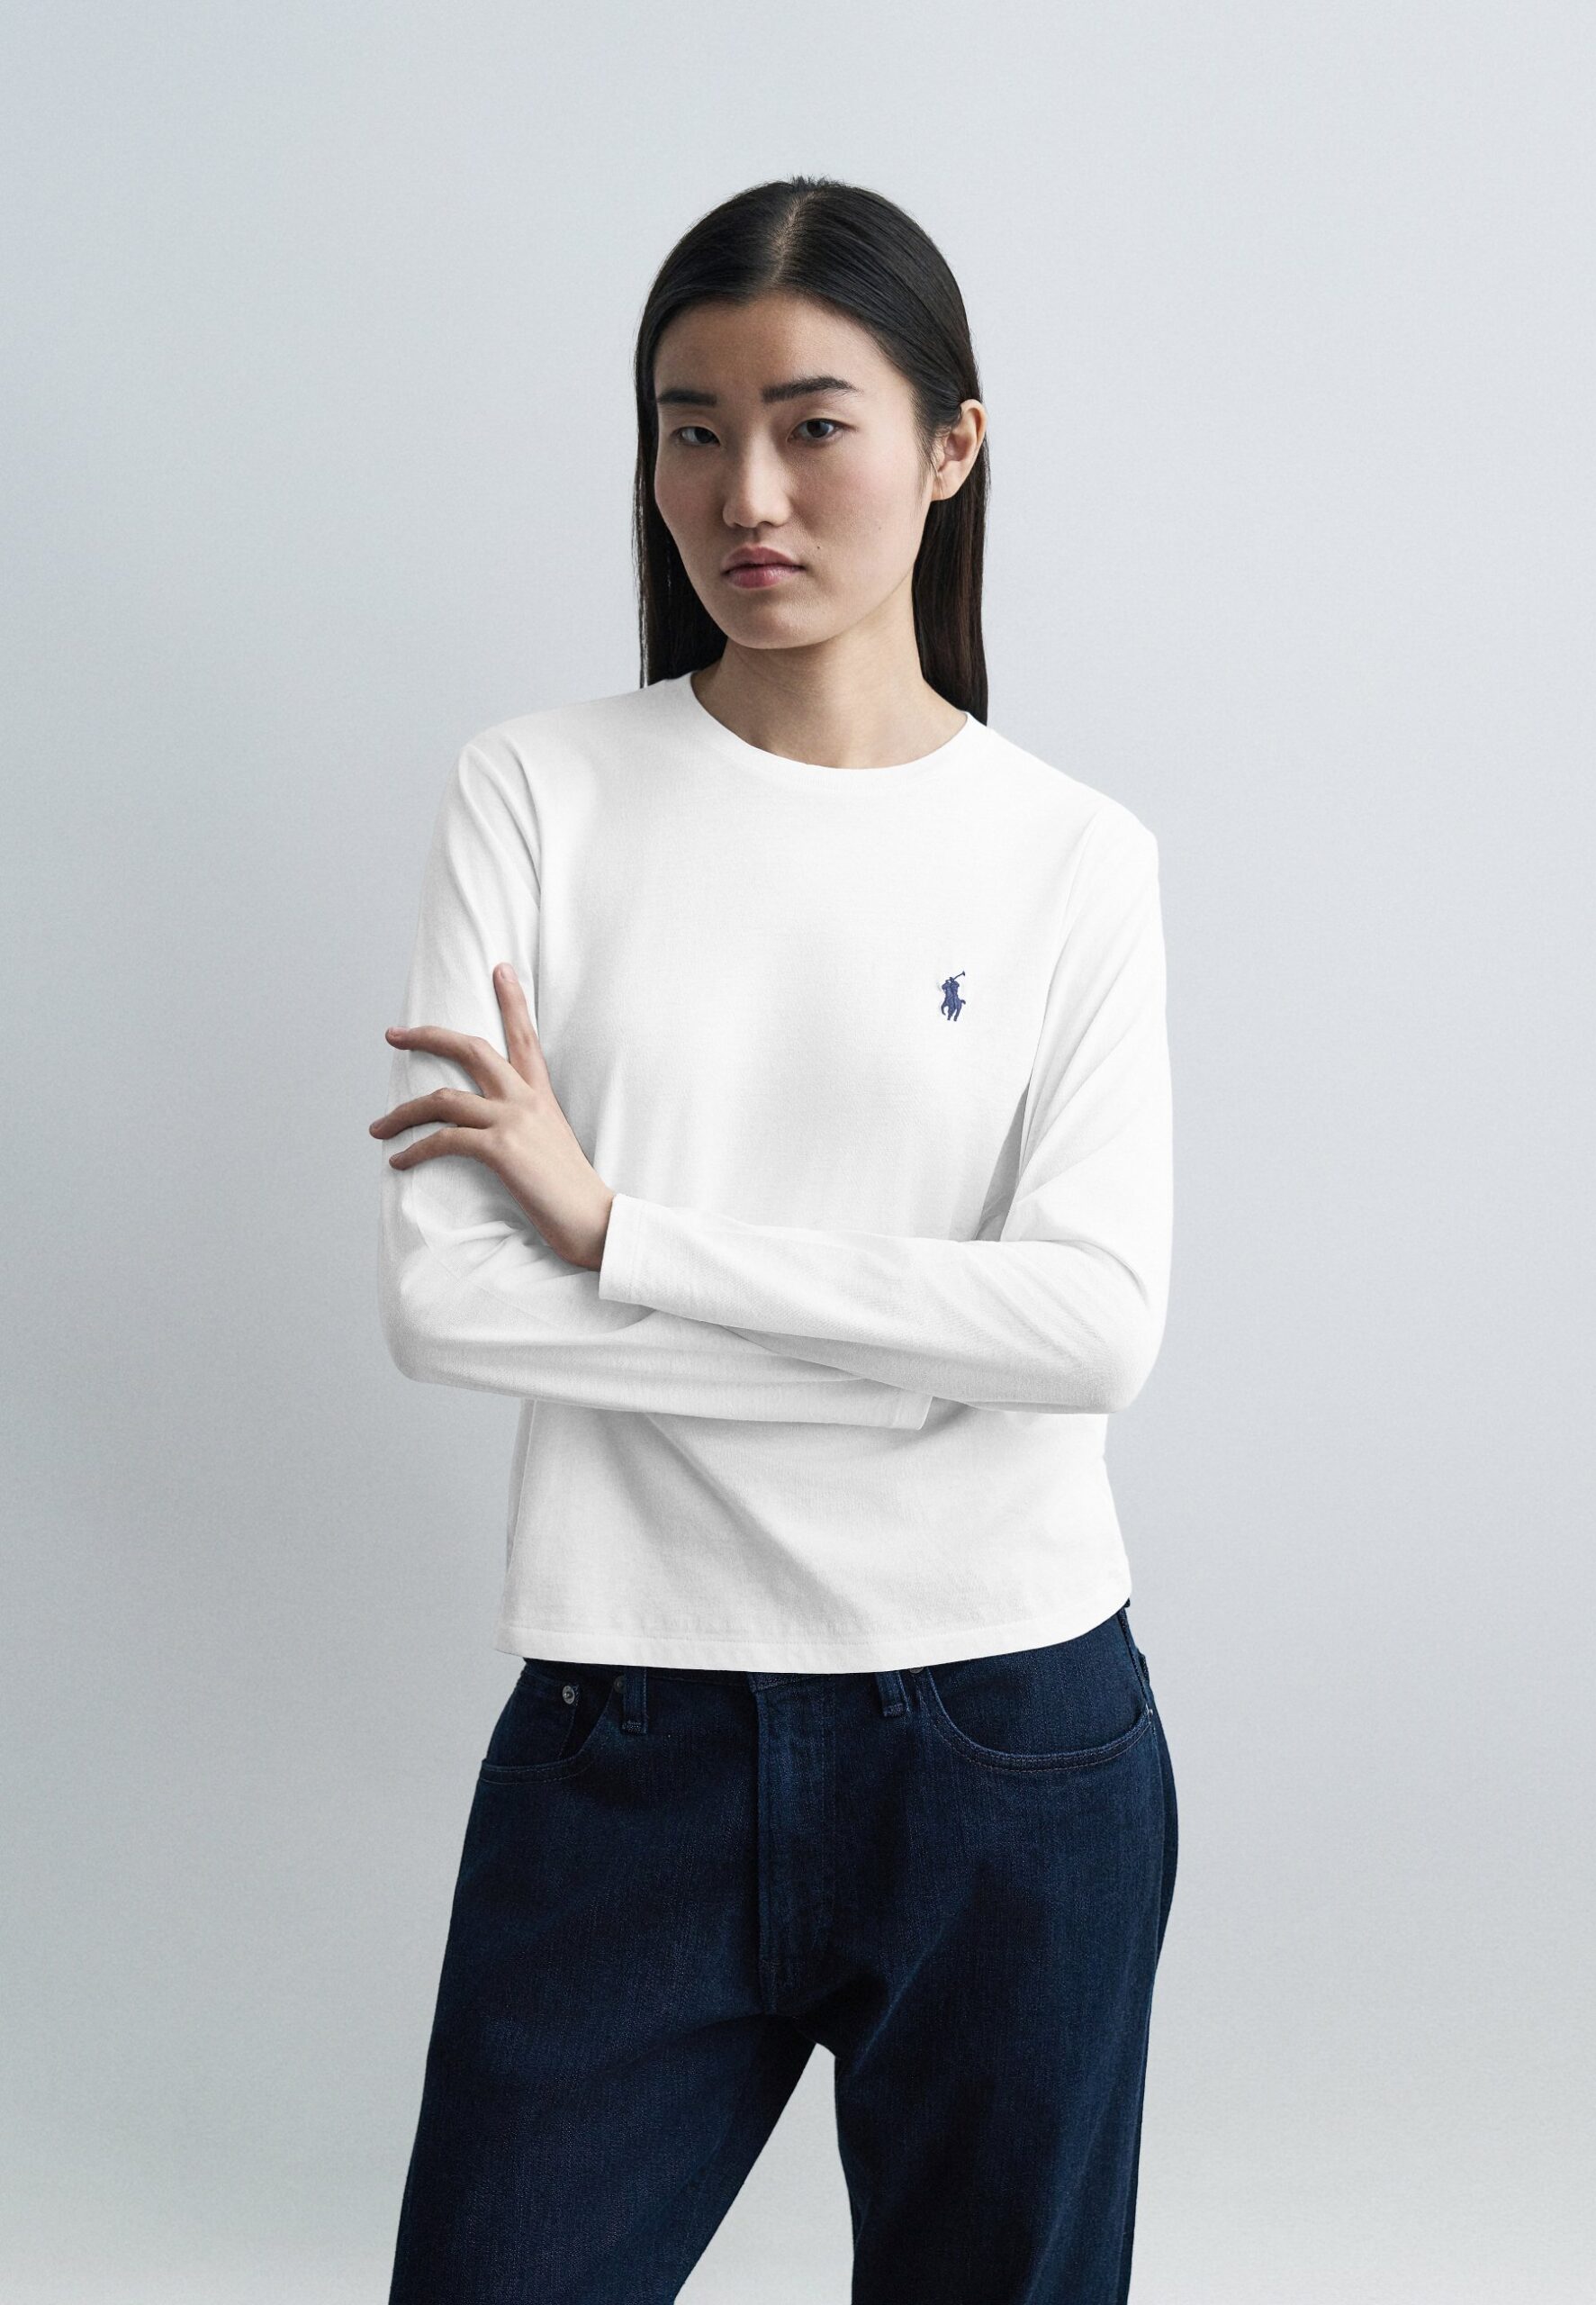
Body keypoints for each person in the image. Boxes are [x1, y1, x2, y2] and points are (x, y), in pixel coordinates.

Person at [368, 173, 1178, 2305]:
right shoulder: (536, 793)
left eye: (813, 425)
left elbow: (1092, 1328)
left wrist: (616, 1230)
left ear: (949, 444)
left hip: (1012, 1735)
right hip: (627, 1728)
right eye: (690, 428)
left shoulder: (1070, 858)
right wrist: (927, 1353)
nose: (742, 493)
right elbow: (447, 1298)